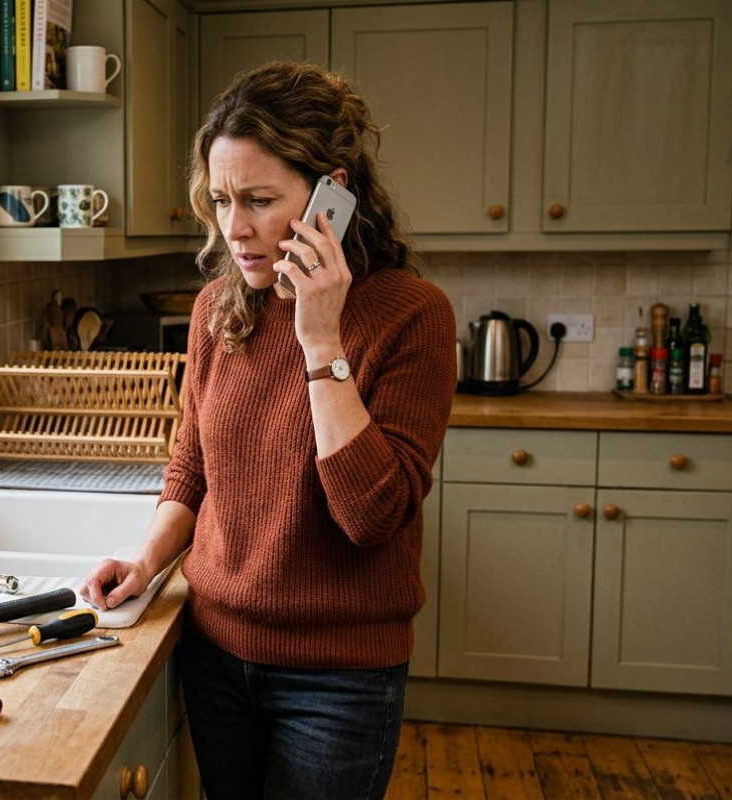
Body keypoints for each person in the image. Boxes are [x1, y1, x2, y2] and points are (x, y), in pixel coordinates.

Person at [78, 61, 455, 800]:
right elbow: (192, 462)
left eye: (258, 199)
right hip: (215, 654)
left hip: (338, 683)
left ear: (331, 198)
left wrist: (321, 343)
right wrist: (147, 561)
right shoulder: (218, 308)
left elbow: (372, 515)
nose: (235, 228)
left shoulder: (413, 316)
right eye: (220, 200)